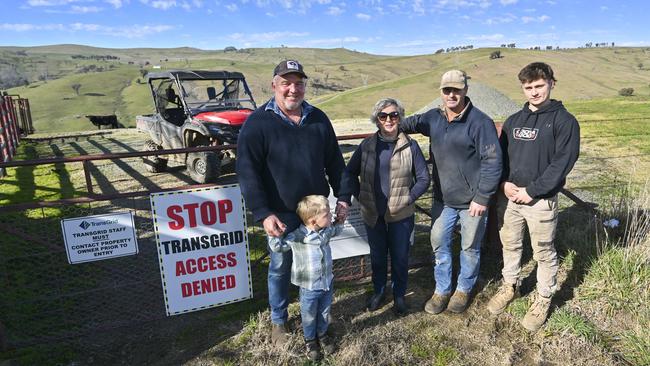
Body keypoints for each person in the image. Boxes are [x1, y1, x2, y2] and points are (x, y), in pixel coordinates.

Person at [235, 60, 349, 346]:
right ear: (274, 85)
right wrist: (263, 213)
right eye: (286, 82)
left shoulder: (318, 118)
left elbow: (335, 161)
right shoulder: (258, 123)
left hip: (316, 212)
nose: (292, 89)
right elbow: (247, 172)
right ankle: (279, 322)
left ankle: (317, 320)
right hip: (281, 213)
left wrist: (344, 197)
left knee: (317, 265)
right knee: (280, 267)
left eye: (298, 82)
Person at [486, 62, 580, 332]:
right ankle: (510, 286)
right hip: (511, 197)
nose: (534, 92)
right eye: (529, 87)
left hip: (540, 201)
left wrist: (532, 191)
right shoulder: (515, 121)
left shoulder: (564, 122)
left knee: (543, 253)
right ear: (522, 89)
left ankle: (543, 298)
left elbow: (563, 162)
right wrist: (504, 183)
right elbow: (501, 158)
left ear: (552, 83)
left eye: (539, 86)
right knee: (510, 245)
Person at [401, 70, 502, 314]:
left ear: (466, 90)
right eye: (447, 90)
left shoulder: (480, 122)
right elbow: (409, 123)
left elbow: (492, 161)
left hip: (472, 203)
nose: (451, 95)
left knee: (469, 247)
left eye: (456, 90)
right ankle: (442, 289)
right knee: (439, 243)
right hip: (443, 200)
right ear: (441, 92)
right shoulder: (433, 118)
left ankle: (463, 289)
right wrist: (389, 123)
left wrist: (482, 197)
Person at [339, 98, 430, 315]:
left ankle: (399, 294)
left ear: (400, 118)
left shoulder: (411, 145)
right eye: (383, 116)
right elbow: (349, 172)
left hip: (401, 214)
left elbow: (424, 178)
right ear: (377, 120)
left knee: (399, 256)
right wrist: (357, 194)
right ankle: (379, 291)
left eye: (394, 115)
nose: (389, 120)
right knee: (378, 257)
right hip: (373, 213)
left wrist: (409, 198)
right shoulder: (367, 146)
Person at [269, 195, 343, 361]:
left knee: (324, 311)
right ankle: (310, 341)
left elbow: (337, 230)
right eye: (327, 215)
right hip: (309, 287)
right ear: (312, 221)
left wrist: (340, 221)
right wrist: (274, 234)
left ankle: (322, 335)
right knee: (309, 315)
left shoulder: (325, 231)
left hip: (327, 282)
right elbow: (278, 247)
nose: (330, 216)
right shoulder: (297, 236)